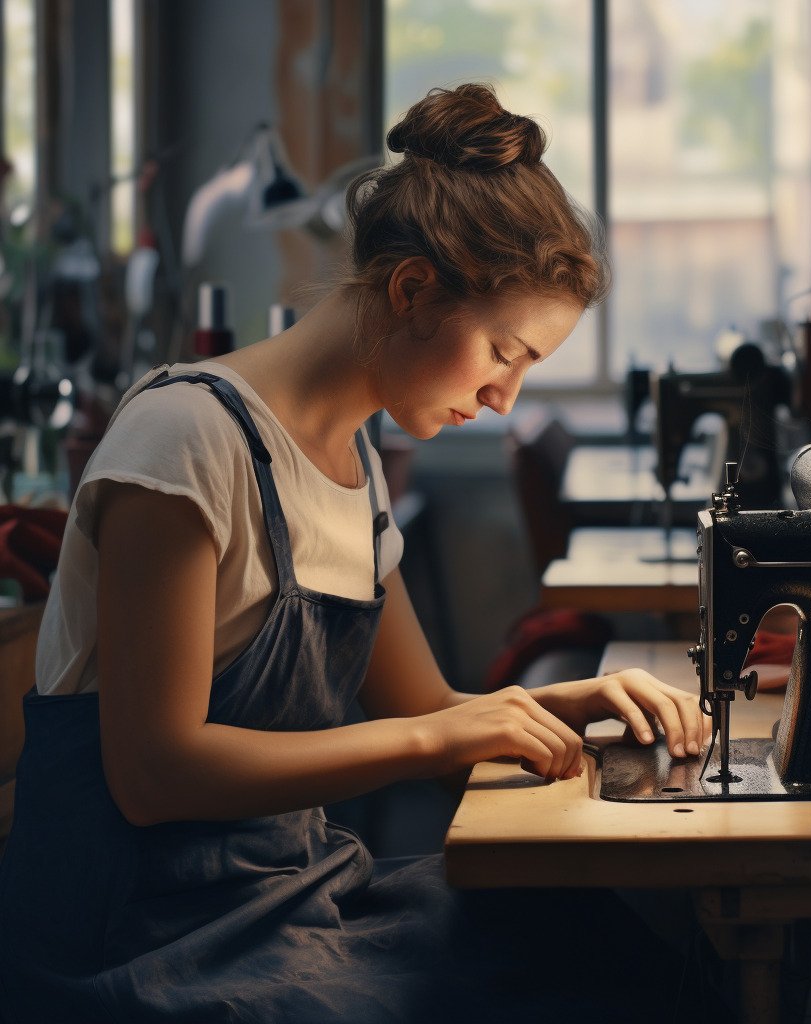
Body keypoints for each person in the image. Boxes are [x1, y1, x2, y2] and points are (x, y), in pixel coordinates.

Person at [0, 83, 708, 1023]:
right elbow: (152, 772)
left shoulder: (353, 462)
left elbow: (428, 712)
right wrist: (447, 732)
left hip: (286, 901)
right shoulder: (183, 441)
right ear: (413, 290)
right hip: (148, 942)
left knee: (613, 950)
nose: (504, 396)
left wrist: (556, 707)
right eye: (504, 350)